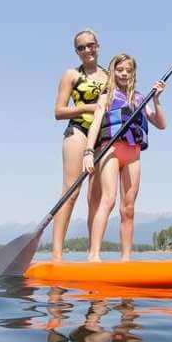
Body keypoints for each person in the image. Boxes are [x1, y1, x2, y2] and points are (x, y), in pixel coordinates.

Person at [83, 53, 166, 262]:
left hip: (133, 155)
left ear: (133, 73)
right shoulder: (107, 95)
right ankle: (94, 255)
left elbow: (161, 124)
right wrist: (88, 152)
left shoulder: (140, 98)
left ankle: (126, 258)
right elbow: (95, 125)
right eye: (120, 70)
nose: (124, 74)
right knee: (108, 200)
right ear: (113, 72)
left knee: (128, 209)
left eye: (128, 71)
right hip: (110, 151)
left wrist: (156, 99)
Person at [52, 29, 108, 262]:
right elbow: (59, 111)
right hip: (78, 131)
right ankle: (56, 255)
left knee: (95, 196)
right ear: (76, 52)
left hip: (103, 135)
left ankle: (92, 255)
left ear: (98, 45)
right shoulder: (71, 75)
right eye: (81, 47)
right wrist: (88, 108)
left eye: (91, 45)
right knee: (71, 191)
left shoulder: (110, 75)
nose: (87, 50)